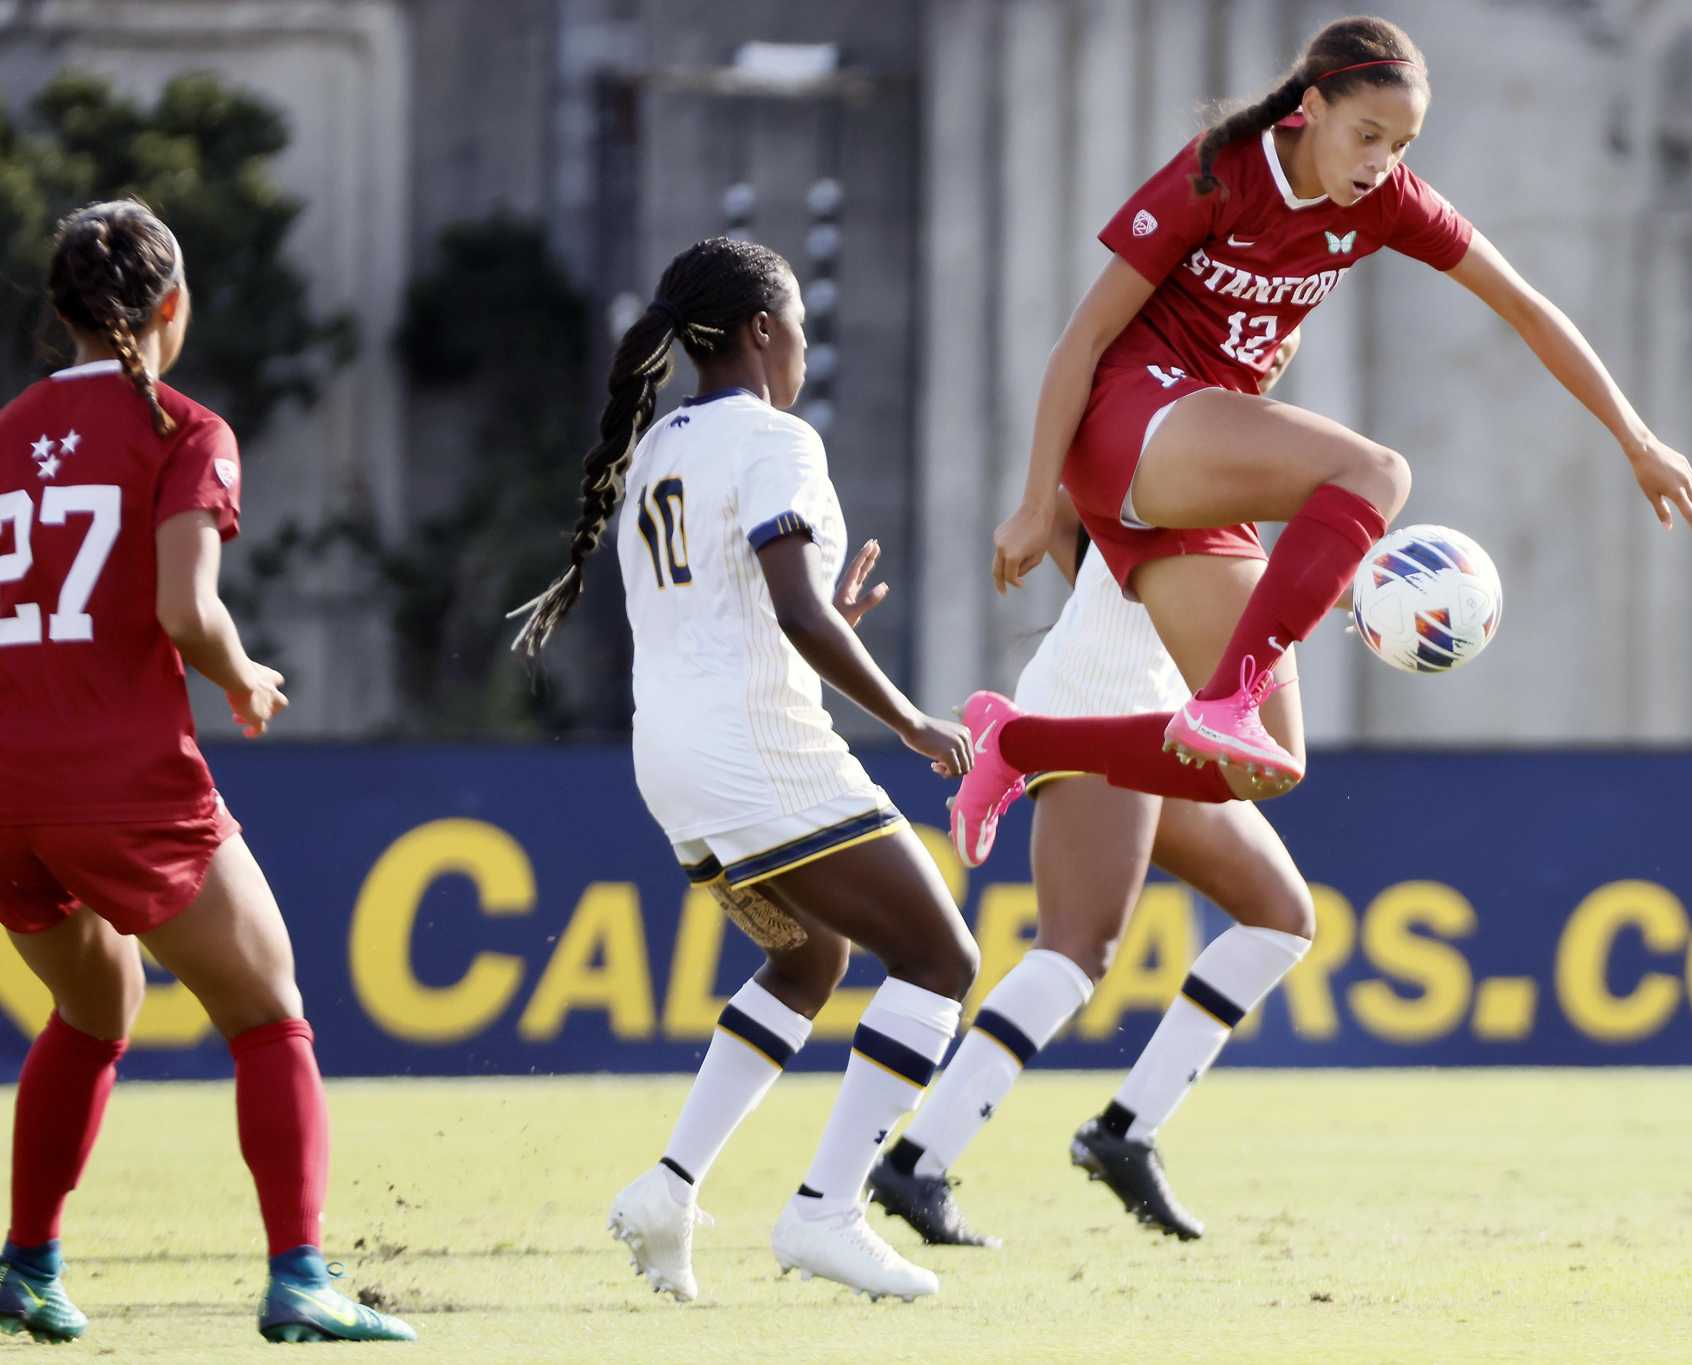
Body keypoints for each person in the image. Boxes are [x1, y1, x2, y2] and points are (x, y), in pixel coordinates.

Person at [948, 14, 1692, 868]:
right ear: (1310, 108)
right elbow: (1082, 340)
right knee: (1375, 470)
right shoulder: (1219, 173)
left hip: (1192, 468)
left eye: (1402, 144)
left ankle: (1018, 742)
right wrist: (1032, 501)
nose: (1381, 161)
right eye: (1367, 134)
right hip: (1128, 418)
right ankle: (1231, 694)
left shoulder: (1389, 201)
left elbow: (1526, 309)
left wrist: (1638, 438)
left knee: (1263, 765)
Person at [509, 237, 981, 1304]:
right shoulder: (777, 439)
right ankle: (825, 1212)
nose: (806, 346)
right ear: (765, 329)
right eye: (801, 325)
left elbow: (734, 610)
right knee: (939, 960)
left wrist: (816, 624)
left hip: (672, 761)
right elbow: (794, 610)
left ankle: (669, 1189)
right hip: (756, 753)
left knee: (808, 961)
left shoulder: (656, 447)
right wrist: (909, 719)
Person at [0, 199, 414, 1344]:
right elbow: (187, 610)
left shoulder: (8, 429)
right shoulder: (185, 429)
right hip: (120, 782)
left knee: (96, 1004)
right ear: (171, 307)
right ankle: (299, 1276)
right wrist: (240, 676)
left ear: (60, 312)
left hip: (6, 788)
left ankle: (26, 1265)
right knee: (268, 1008)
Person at [872, 336, 1314, 1245]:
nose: (1274, 357)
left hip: (1157, 711)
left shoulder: (1210, 437)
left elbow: (1115, 530)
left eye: (1284, 346)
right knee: (1077, 950)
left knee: (1280, 916)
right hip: (1098, 704)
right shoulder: (1184, 436)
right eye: (1266, 339)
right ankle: (916, 1161)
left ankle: (1125, 1133)